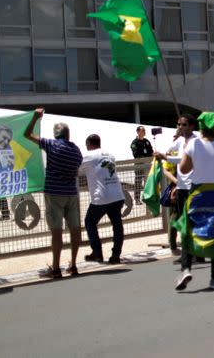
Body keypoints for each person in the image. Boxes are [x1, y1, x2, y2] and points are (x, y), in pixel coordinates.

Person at [175, 112, 214, 291]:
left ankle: (186, 268)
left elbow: (184, 170)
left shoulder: (193, 144)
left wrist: (191, 155)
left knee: (188, 230)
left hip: (198, 193)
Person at [24, 109, 84, 279]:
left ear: (55, 134)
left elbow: (27, 134)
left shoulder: (51, 145)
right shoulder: (76, 150)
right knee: (74, 229)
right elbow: (75, 170)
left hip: (54, 193)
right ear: (68, 135)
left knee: (56, 231)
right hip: (71, 193)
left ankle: (56, 268)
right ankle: (73, 264)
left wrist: (35, 117)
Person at [154, 114, 198, 255]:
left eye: (184, 125)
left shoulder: (195, 142)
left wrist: (165, 156)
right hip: (181, 187)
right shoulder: (180, 141)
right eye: (179, 124)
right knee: (178, 217)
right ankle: (177, 246)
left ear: (192, 126)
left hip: (194, 186)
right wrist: (163, 153)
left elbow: (181, 159)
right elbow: (169, 152)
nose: (180, 127)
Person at [78, 134, 124, 264]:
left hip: (102, 196)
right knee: (117, 224)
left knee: (90, 222)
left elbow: (76, 169)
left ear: (89, 145)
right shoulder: (110, 155)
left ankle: (97, 252)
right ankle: (116, 255)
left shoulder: (89, 156)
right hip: (117, 194)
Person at [130, 126, 153, 204]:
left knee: (148, 182)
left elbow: (151, 151)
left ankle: (147, 198)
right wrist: (145, 157)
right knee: (138, 182)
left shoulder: (147, 141)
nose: (144, 132)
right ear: (138, 132)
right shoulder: (134, 143)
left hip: (147, 165)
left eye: (144, 131)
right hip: (139, 165)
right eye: (142, 131)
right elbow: (136, 154)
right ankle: (137, 199)